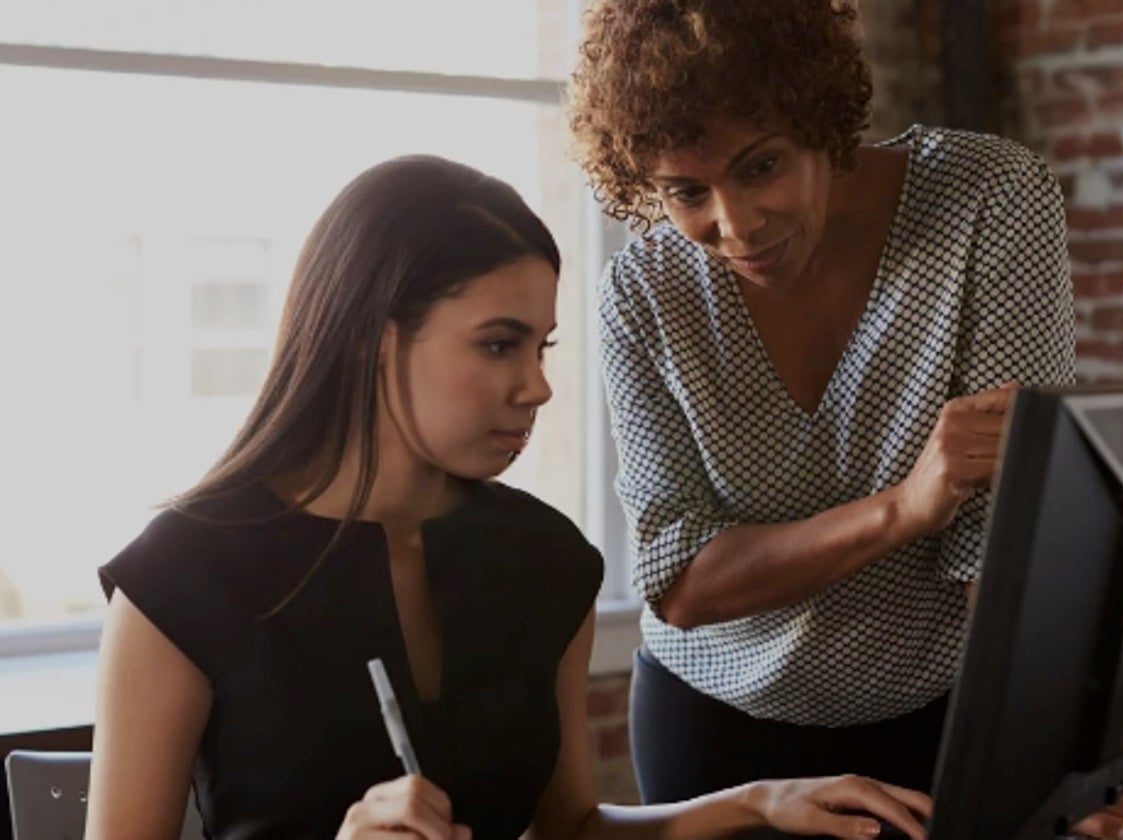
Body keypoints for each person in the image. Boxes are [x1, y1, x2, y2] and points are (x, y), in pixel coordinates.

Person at [85, 154, 935, 840]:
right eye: (499, 346)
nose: (537, 388)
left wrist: (755, 804)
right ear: (377, 342)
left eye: (542, 348)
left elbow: (569, 827)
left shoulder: (546, 561)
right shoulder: (182, 579)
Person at [565, 1, 1123, 838]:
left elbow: (1002, 550)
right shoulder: (641, 292)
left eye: (762, 167)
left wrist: (1067, 785)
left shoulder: (986, 199)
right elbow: (681, 581)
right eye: (687, 191)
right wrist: (904, 507)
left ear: (820, 119)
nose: (735, 225)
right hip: (713, 729)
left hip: (938, 722)